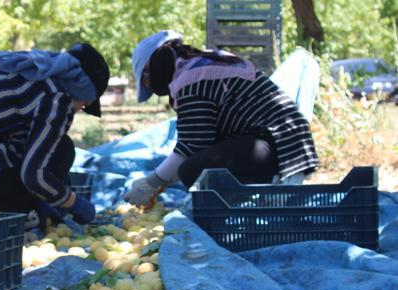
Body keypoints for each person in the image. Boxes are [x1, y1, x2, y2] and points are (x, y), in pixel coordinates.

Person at [125, 31, 320, 207]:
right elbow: (201, 142)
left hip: (277, 146)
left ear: (156, 64)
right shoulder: (201, 64)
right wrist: (162, 181)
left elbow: (191, 146)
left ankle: (259, 196)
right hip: (286, 144)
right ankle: (258, 200)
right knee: (194, 168)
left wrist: (151, 182)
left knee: (192, 171)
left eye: (148, 80)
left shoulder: (190, 79)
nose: (154, 88)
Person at [0, 43, 110, 229]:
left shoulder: (32, 69)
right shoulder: (57, 99)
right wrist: (74, 202)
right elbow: (34, 176)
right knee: (61, 150)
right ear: (81, 92)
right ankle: (7, 218)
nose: (78, 110)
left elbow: (21, 142)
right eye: (85, 105)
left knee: (42, 147)